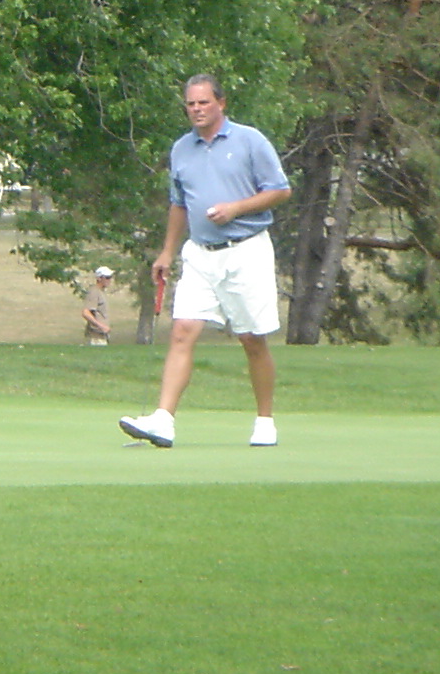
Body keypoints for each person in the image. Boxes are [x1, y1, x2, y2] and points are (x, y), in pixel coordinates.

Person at [119, 74, 291, 448]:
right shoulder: (181, 149)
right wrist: (167, 251)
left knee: (251, 340)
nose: (196, 110)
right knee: (182, 331)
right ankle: (163, 420)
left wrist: (236, 208)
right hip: (200, 253)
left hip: (246, 249)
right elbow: (179, 203)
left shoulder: (250, 140)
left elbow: (280, 190)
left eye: (203, 103)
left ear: (221, 103)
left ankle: (264, 421)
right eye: (191, 104)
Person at [81, 266, 114, 345]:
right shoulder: (94, 292)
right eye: (107, 277)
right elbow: (86, 313)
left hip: (102, 336)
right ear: (99, 278)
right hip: (95, 337)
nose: (109, 280)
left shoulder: (101, 292)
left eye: (110, 277)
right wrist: (101, 326)